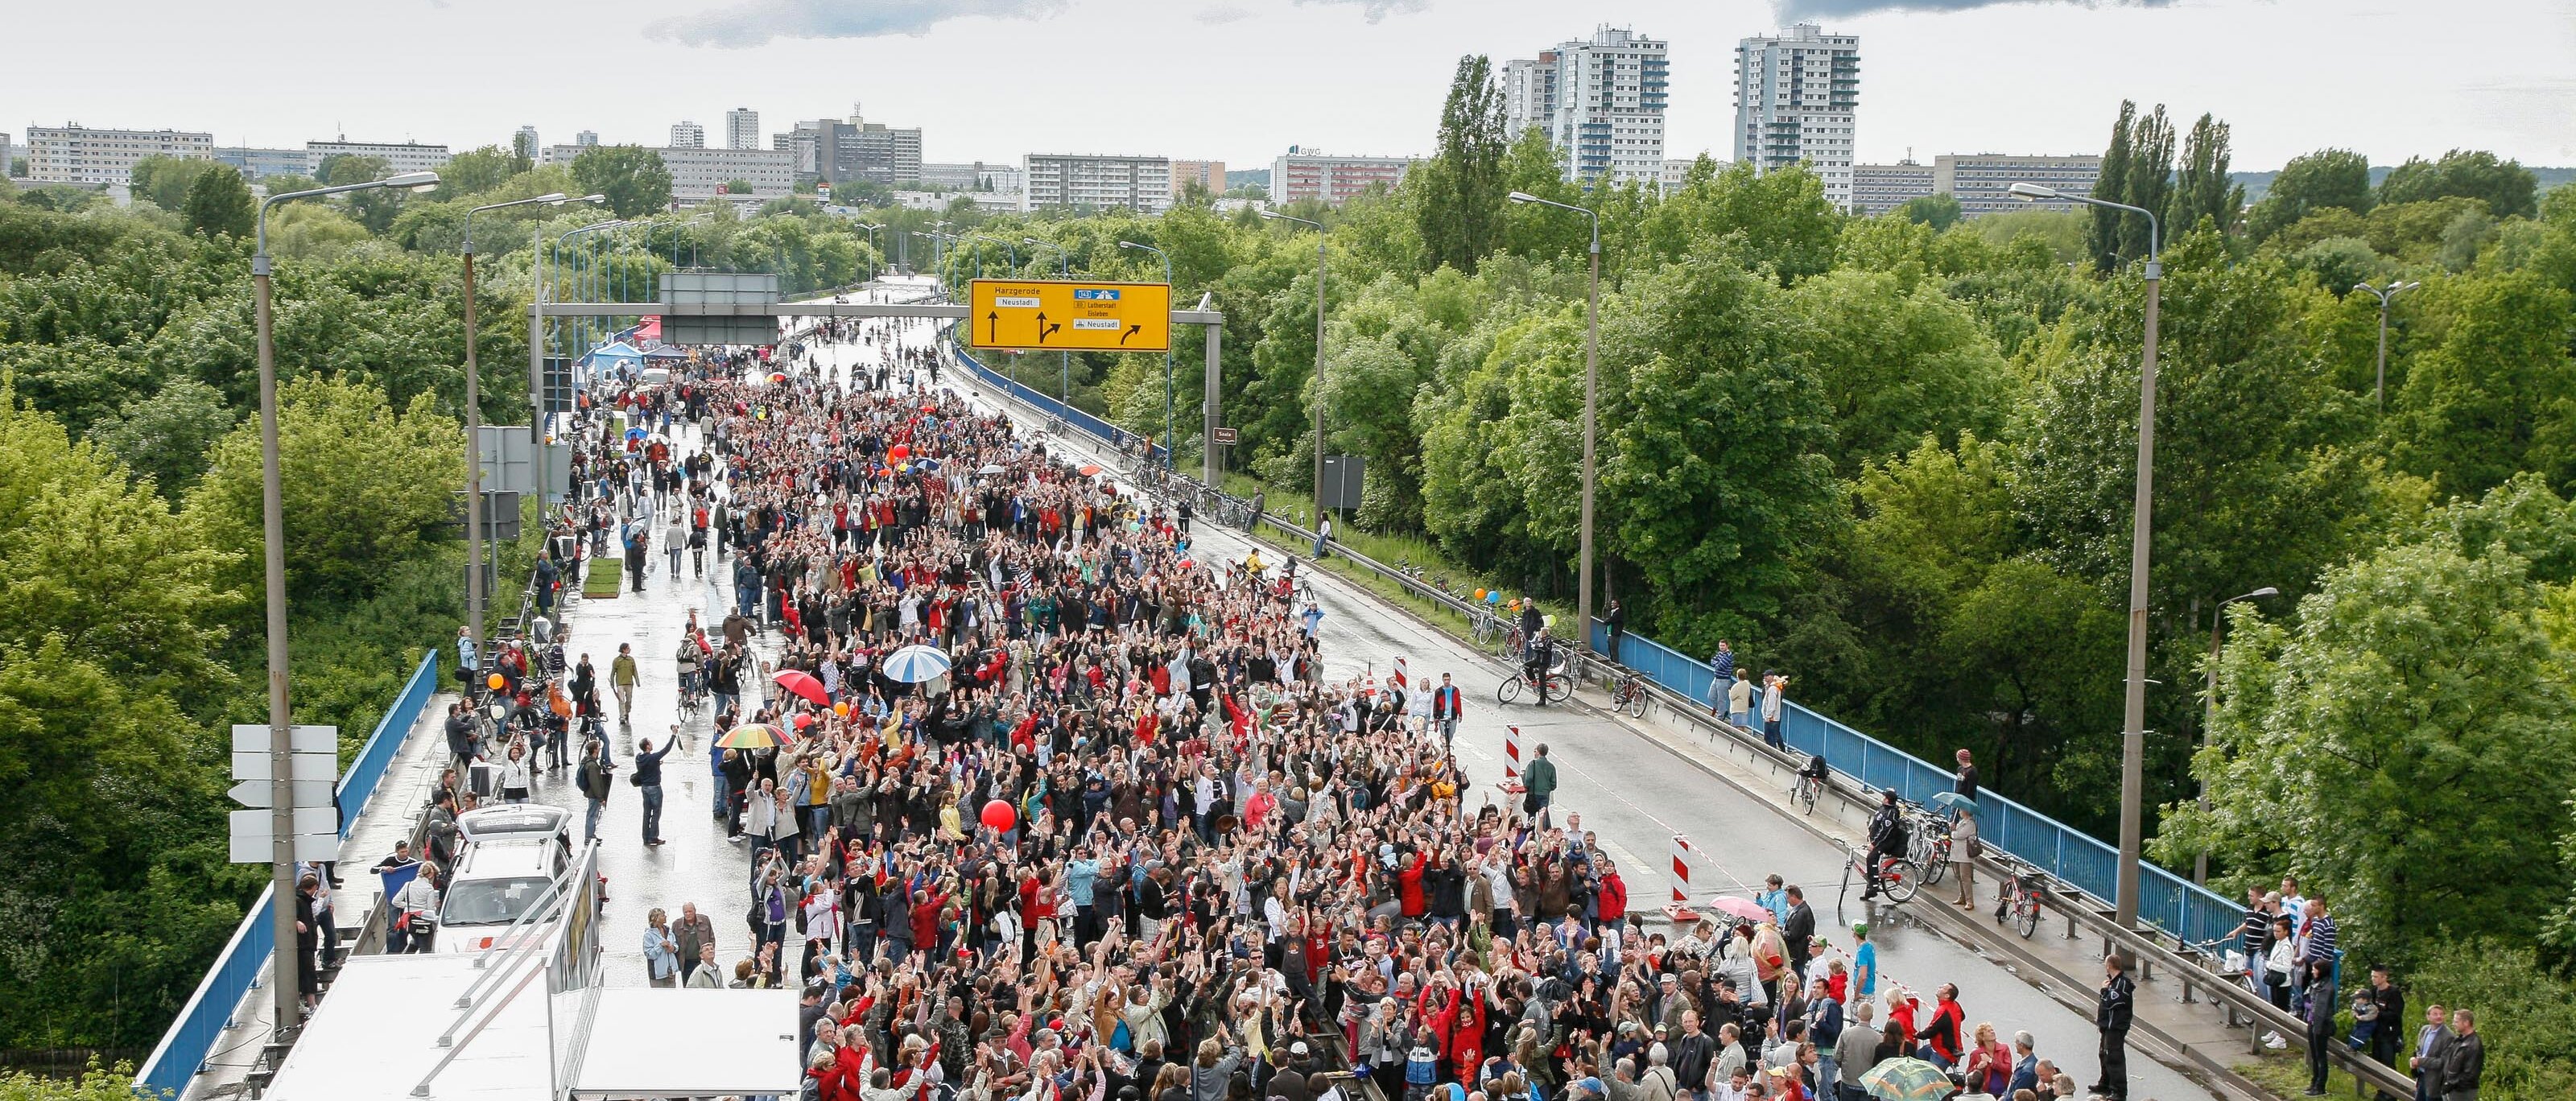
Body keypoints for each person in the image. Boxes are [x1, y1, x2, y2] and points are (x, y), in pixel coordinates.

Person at [2094, 954, 2134, 1101]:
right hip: (2107, 1026)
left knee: (2114, 1058)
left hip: (2116, 1027)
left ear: (2109, 965)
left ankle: (2119, 1091)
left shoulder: (2121, 984)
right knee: (2103, 1054)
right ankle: (2105, 1083)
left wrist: (2104, 991)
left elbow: (2112, 1003)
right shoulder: (2113, 982)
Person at [1861, 791, 1908, 901]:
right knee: (1871, 860)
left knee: (1872, 857)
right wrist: (1870, 831)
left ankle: (1874, 886)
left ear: (1887, 799)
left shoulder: (1891, 813)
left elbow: (1885, 832)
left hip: (1887, 841)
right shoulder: (1883, 808)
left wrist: (1874, 844)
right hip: (1878, 840)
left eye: (1884, 797)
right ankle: (1870, 887)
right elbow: (1876, 822)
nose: (1882, 798)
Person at [2303, 959, 2338, 1095]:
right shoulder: (2316, 983)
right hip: (2312, 1023)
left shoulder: (2326, 988)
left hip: (2321, 1026)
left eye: (2315, 969)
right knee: (2314, 1055)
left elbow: (2320, 1011)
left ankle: (2320, 1086)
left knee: (2320, 1057)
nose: (2312, 971)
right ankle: (2314, 1083)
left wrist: (2316, 1028)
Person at [635, 733, 674, 846]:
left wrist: (656, 764)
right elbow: (666, 749)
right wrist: (673, 735)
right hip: (654, 787)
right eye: (650, 743)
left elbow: (648, 766)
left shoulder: (639, 758)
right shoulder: (652, 757)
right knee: (656, 812)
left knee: (646, 813)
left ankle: (645, 837)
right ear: (647, 746)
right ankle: (653, 836)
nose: (652, 744)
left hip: (644, 788)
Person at [2410, 1004, 2451, 1101]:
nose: (2439, 1016)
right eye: (2435, 1014)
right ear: (2428, 1017)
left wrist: (2420, 1062)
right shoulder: (2425, 1030)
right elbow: (2419, 1049)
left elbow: (2442, 1062)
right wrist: (2414, 1060)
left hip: (2435, 1080)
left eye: (2441, 1014)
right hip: (2421, 1076)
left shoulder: (2448, 1036)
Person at [577, 739, 614, 845]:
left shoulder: (588, 762)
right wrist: (601, 798)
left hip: (591, 794)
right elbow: (595, 783)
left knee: (592, 815)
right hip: (593, 795)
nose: (599, 749)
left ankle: (591, 835)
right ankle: (589, 837)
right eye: (598, 747)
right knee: (592, 815)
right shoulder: (592, 766)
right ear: (595, 750)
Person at [2441, 1008, 2481, 1101]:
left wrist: (2453, 1086)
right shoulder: (2459, 1040)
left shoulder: (2473, 1045)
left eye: (2456, 1022)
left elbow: (2470, 1073)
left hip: (2461, 1092)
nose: (2453, 1024)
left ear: (2466, 1023)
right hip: (2450, 1088)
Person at [1522, 743, 1558, 825]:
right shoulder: (1551, 766)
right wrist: (1547, 789)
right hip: (1545, 794)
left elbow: (1528, 779)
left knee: (1531, 814)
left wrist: (1527, 787)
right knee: (1543, 814)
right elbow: (1554, 784)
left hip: (1533, 793)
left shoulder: (1533, 764)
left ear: (1538, 752)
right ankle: (1545, 832)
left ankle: (1530, 831)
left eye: (1535, 751)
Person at [644, 907, 681, 988]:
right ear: (656, 918)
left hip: (670, 972)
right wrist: (660, 946)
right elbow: (649, 954)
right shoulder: (648, 935)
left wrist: (673, 948)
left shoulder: (669, 930)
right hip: (657, 974)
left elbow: (676, 944)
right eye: (663, 915)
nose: (665, 917)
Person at [1430, 673, 1463, 749]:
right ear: (1443, 680)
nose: (1447, 681)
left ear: (1450, 680)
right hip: (1442, 715)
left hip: (1453, 714)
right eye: (1445, 680)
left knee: (1451, 732)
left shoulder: (1455, 690)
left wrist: (1460, 714)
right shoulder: (1439, 691)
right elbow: (1436, 704)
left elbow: (1458, 702)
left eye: (1448, 680)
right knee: (1443, 734)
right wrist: (1435, 716)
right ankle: (1445, 746)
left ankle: (1447, 744)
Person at [611, 643, 639, 726]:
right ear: (624, 649)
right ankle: (622, 716)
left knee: (629, 700)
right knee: (621, 700)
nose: (630, 649)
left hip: (629, 683)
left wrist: (637, 681)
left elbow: (635, 671)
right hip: (620, 683)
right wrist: (612, 682)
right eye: (628, 648)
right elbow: (613, 672)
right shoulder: (616, 660)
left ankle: (627, 712)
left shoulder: (631, 660)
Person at [1759, 673, 1787, 750]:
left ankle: (1773, 752)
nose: (1765, 678)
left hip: (1771, 718)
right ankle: (1781, 750)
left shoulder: (1773, 689)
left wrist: (1768, 716)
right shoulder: (1774, 687)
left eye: (1767, 676)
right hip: (1774, 717)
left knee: (1769, 736)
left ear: (1772, 677)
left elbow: (1771, 704)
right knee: (1775, 735)